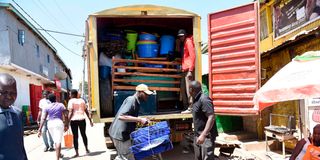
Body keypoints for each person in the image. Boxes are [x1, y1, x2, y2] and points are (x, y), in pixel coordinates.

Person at [108, 84, 153, 160]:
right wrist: (140, 120)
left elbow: (129, 116)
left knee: (124, 156)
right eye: (146, 94)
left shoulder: (135, 101)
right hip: (120, 135)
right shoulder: (132, 100)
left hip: (122, 134)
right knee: (127, 157)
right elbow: (121, 116)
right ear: (140, 92)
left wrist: (141, 119)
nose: (147, 96)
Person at [0, 73, 28, 160]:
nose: (8, 96)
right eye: (4, 92)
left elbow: (20, 143)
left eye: (13, 92)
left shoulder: (18, 113)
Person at [189, 81, 218, 160]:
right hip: (198, 135)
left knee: (207, 158)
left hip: (206, 137)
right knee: (198, 157)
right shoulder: (196, 99)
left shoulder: (204, 99)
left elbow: (211, 117)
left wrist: (203, 135)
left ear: (191, 90)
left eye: (189, 89)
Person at [38, 93, 69, 160]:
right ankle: (57, 158)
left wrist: (40, 129)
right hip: (58, 123)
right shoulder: (61, 105)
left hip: (50, 124)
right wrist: (66, 124)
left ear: (49, 100)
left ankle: (59, 154)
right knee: (58, 141)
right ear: (56, 98)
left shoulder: (47, 107)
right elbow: (66, 115)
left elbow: (43, 118)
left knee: (55, 140)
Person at [68, 89, 93, 157]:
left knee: (75, 136)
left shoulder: (71, 101)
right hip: (82, 120)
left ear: (73, 94)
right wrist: (90, 120)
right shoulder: (82, 100)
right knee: (83, 134)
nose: (69, 95)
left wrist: (67, 122)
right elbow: (86, 111)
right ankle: (86, 149)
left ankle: (77, 153)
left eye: (70, 94)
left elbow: (70, 112)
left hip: (74, 120)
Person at [177, 29, 196, 114]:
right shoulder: (183, 43)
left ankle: (191, 107)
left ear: (185, 35)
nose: (181, 38)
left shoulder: (188, 41)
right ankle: (186, 106)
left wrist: (191, 70)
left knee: (189, 89)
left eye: (182, 36)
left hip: (188, 69)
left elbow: (192, 55)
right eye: (179, 36)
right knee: (182, 88)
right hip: (184, 69)